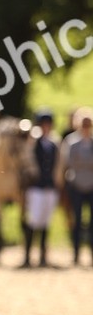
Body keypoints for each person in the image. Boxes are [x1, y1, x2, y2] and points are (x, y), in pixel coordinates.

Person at [21, 110, 60, 269]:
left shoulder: (53, 143)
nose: (46, 127)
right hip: (36, 187)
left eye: (48, 124)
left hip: (49, 186)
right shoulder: (33, 143)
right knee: (33, 220)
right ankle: (27, 256)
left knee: (45, 221)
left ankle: (43, 256)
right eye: (43, 124)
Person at [58, 107, 93, 265]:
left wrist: (81, 162)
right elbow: (70, 162)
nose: (86, 128)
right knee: (76, 221)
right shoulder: (71, 141)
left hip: (91, 186)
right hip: (76, 186)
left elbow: (77, 162)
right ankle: (76, 253)